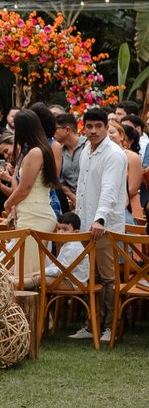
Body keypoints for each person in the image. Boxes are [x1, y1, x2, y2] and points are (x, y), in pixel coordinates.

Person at [73, 107, 129, 341]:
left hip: (105, 226)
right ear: (83, 128)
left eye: (98, 126)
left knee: (108, 278)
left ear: (107, 127)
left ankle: (110, 327)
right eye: (89, 126)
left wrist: (100, 219)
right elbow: (82, 187)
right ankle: (92, 324)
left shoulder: (114, 154)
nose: (93, 131)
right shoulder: (86, 150)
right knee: (92, 277)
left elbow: (109, 191)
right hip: (87, 222)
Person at [0, 109, 59, 232]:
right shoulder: (35, 150)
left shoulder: (35, 152)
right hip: (29, 214)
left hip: (35, 216)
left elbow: (24, 189)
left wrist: (7, 204)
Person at [109, 119, 145, 224]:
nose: (108, 136)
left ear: (121, 136)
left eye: (111, 132)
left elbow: (132, 189)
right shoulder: (102, 156)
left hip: (128, 207)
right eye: (105, 133)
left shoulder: (132, 157)